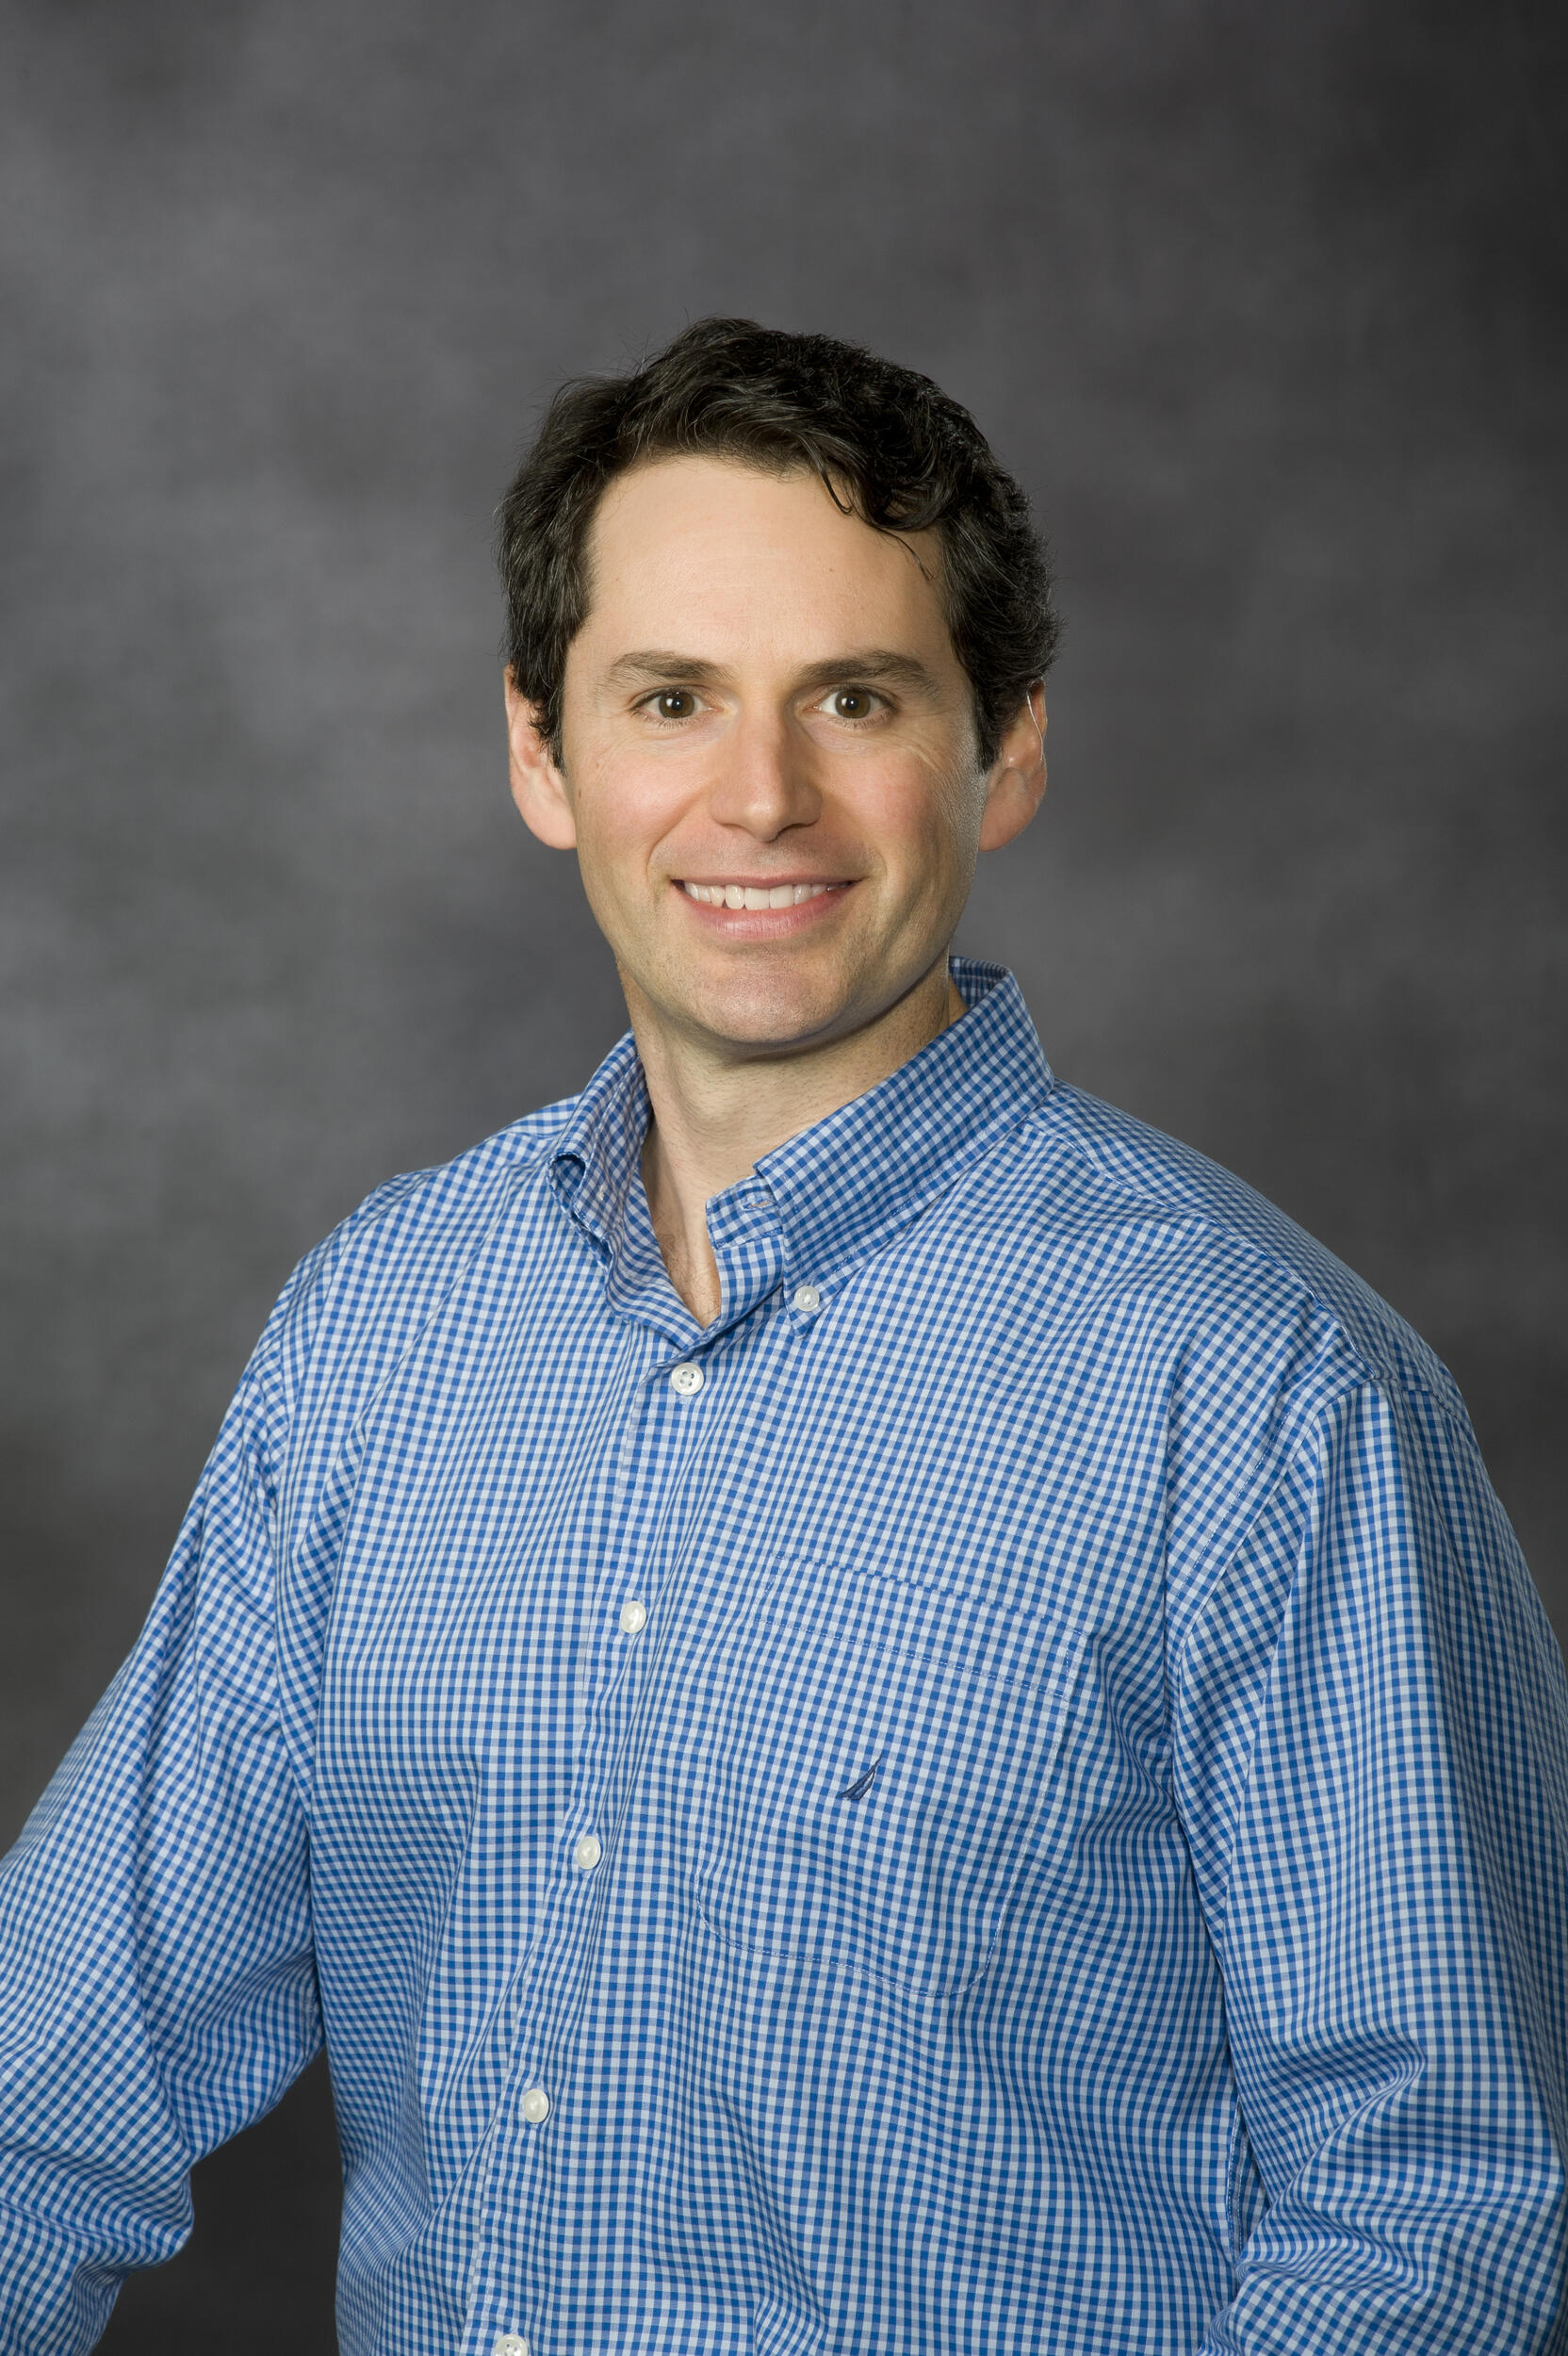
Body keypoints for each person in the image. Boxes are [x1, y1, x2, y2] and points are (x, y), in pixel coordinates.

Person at [1, 318, 1564, 2356]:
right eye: (671, 697)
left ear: (1001, 745)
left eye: (854, 694)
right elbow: (51, 2072)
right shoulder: (380, 1334)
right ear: (541, 754)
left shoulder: (1260, 1397)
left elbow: (1440, 2207)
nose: (760, 795)